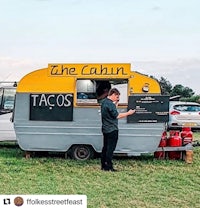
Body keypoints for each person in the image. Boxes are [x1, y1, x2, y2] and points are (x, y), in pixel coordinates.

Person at [100, 88, 135, 171]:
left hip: (105, 129)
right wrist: (129, 113)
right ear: (113, 94)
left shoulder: (104, 102)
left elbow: (111, 111)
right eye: (117, 97)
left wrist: (116, 104)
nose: (117, 98)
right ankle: (109, 167)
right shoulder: (110, 104)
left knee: (105, 148)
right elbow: (117, 116)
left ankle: (103, 166)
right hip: (112, 129)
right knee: (110, 149)